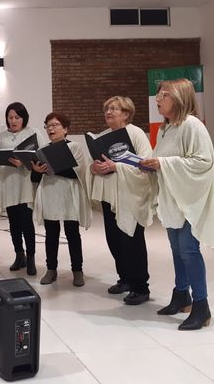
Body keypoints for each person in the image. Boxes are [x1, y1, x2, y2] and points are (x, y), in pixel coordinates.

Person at [141, 79, 214, 330]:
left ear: (180, 97)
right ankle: (181, 295)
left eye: (164, 95)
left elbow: (204, 162)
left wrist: (163, 163)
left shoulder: (192, 125)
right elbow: (163, 160)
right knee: (177, 250)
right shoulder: (165, 129)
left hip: (189, 199)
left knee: (189, 250)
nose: (157, 99)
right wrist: (151, 165)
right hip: (172, 198)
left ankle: (201, 305)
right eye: (157, 95)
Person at [89, 96, 156, 305]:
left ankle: (141, 287)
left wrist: (116, 167)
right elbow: (95, 164)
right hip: (110, 197)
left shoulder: (136, 134)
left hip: (130, 197)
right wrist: (95, 168)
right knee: (114, 240)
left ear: (126, 114)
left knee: (131, 242)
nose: (108, 112)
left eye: (114, 109)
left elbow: (145, 164)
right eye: (107, 109)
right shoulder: (103, 137)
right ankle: (125, 279)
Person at [32, 112, 91, 287]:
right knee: (51, 233)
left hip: (69, 194)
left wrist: (52, 167)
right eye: (48, 126)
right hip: (50, 193)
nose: (51, 129)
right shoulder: (42, 150)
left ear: (65, 129)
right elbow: (35, 178)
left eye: (55, 125)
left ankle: (77, 270)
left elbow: (77, 172)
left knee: (72, 233)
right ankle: (51, 269)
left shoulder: (74, 147)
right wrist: (36, 171)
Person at [0, 102, 45, 275]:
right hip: (8, 184)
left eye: (17, 117)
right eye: (10, 117)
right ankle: (19, 255)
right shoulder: (0, 137)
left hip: (25, 184)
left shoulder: (33, 133)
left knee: (26, 222)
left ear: (24, 118)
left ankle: (31, 258)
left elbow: (42, 157)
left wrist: (25, 162)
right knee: (13, 222)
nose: (13, 121)